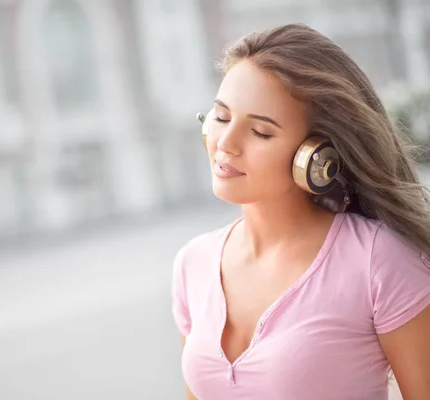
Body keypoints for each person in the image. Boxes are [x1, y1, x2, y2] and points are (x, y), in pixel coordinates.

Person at [171, 23, 430, 400]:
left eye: (260, 132)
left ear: (316, 156)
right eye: (222, 117)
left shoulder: (378, 260)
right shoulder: (191, 263)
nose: (225, 143)